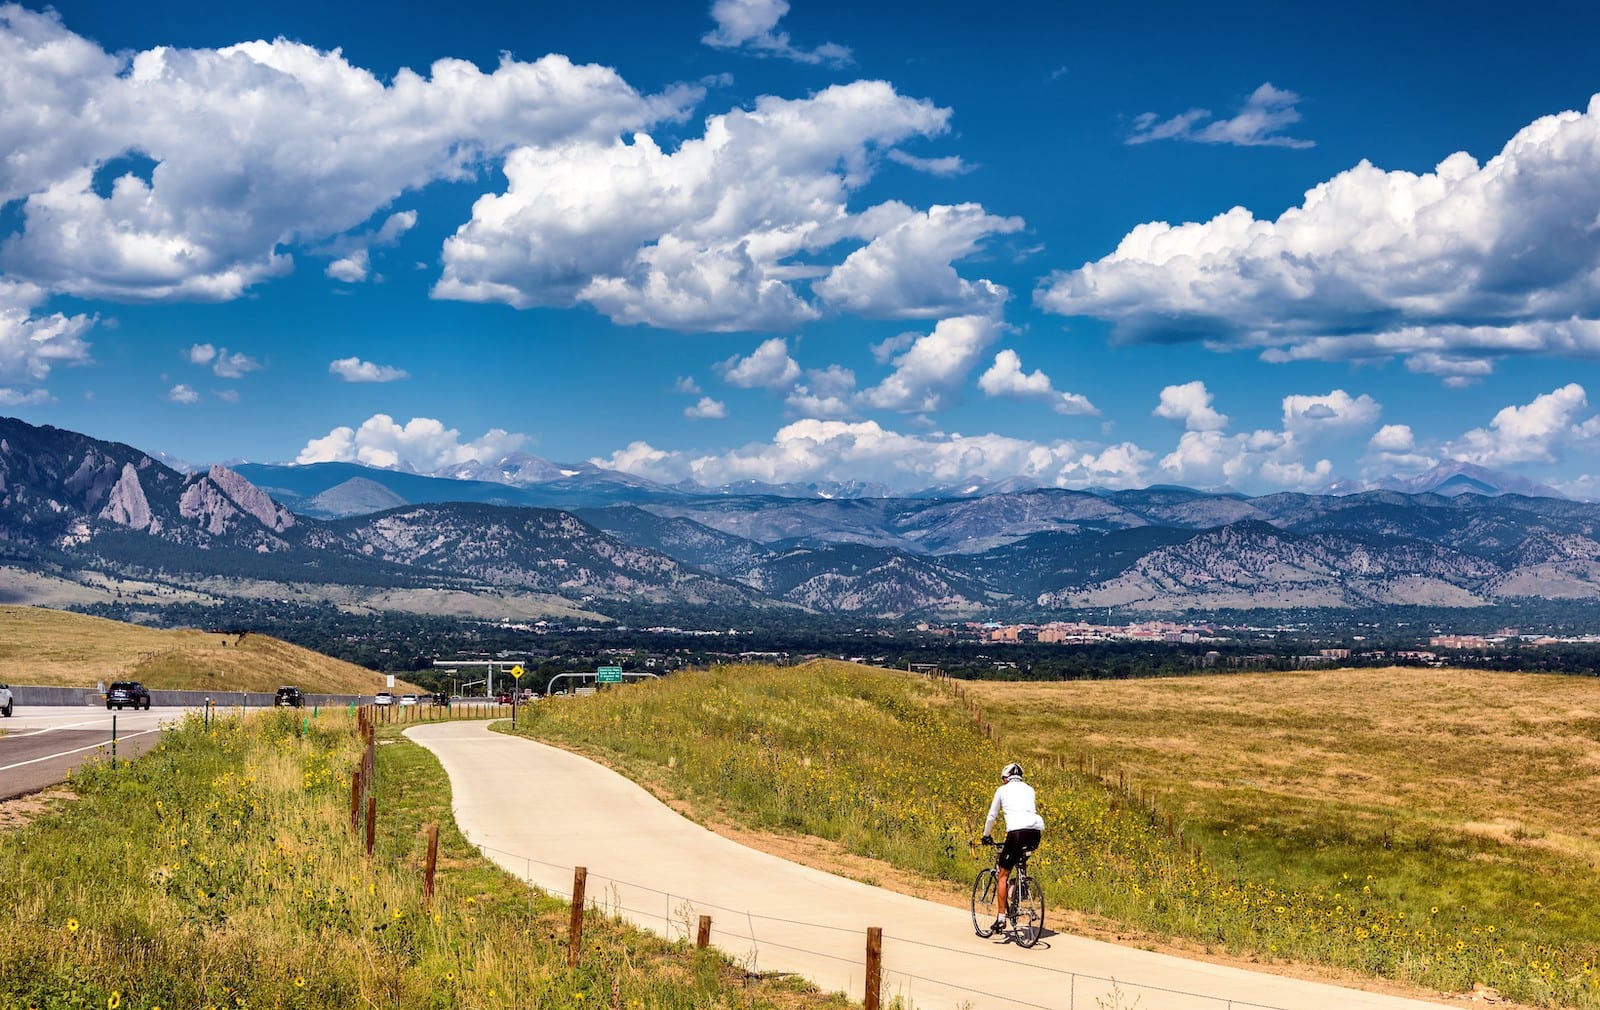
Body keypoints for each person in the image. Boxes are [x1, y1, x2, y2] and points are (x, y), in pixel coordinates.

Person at [981, 761, 1044, 934]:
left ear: (1005, 778)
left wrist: (986, 835)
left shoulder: (1002, 790)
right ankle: (1021, 886)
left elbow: (992, 815)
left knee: (1003, 874)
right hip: (1035, 832)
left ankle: (1001, 918)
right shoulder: (1030, 789)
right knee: (1021, 858)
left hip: (1016, 832)